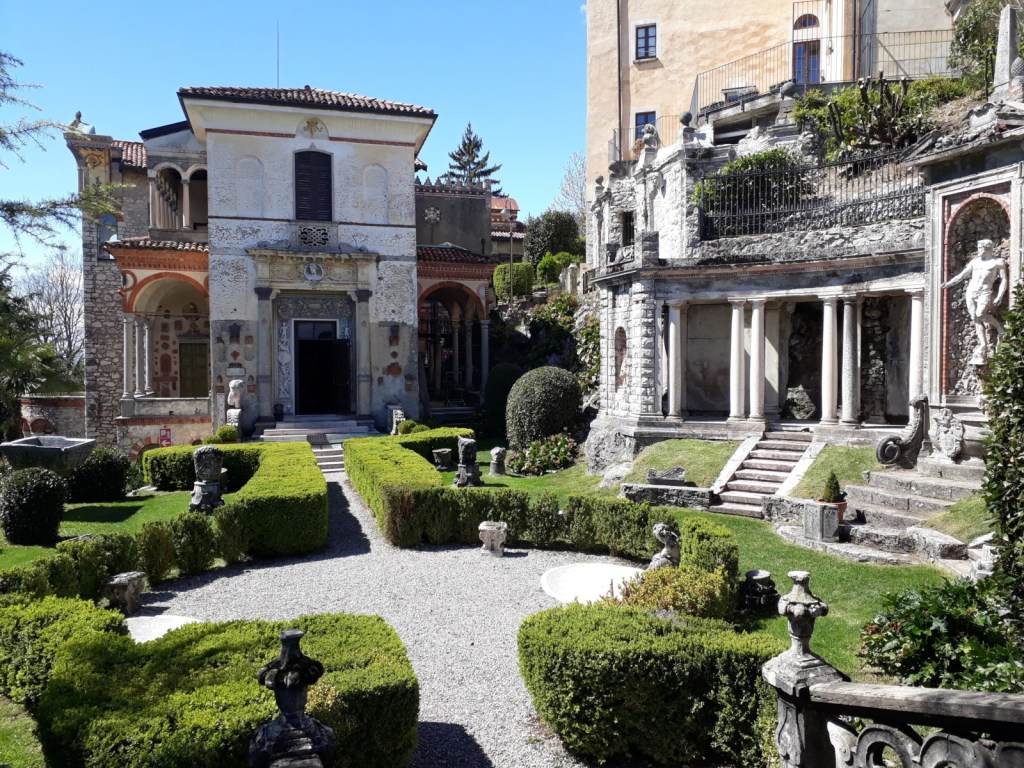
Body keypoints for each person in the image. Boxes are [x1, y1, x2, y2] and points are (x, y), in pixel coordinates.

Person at [943, 239, 1008, 362]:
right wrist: (949, 284)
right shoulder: (975, 262)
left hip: (985, 292)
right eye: (978, 248)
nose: (978, 250)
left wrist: (1000, 296)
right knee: (975, 317)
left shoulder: (998, 262)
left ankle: (999, 327)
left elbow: (1004, 280)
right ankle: (983, 344)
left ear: (988, 248)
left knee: (980, 314)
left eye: (980, 248)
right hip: (971, 292)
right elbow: (962, 275)